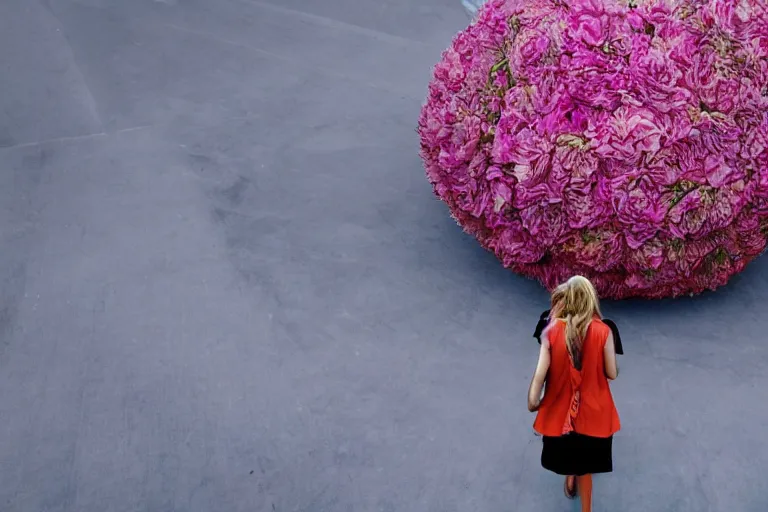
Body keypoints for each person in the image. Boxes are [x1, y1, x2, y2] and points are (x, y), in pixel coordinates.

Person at [527, 276, 621, 512]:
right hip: (594, 413)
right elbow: (611, 373)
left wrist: (533, 402)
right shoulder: (604, 331)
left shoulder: (550, 332)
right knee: (586, 467)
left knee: (569, 451)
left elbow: (539, 375)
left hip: (559, 413)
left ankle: (570, 480)